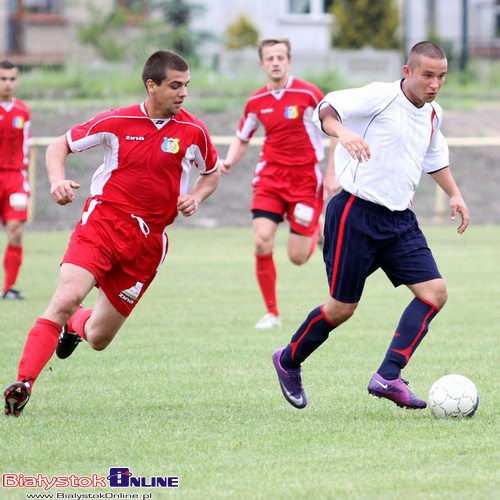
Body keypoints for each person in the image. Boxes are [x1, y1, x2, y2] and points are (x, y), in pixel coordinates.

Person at [4, 50, 220, 416]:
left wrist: (195, 196)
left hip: (149, 242)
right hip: (103, 224)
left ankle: (76, 326)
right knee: (66, 297)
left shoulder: (193, 130)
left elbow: (211, 172)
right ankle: (23, 383)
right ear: (151, 86)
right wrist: (57, 181)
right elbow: (60, 145)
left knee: (100, 338)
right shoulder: (117, 121)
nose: (183, 93)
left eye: (186, 86)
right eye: (175, 86)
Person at [272, 41, 469, 410]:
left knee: (434, 293)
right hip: (355, 214)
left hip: (399, 221)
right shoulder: (379, 97)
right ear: (408, 71)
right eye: (427, 75)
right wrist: (343, 133)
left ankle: (388, 376)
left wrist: (454, 194)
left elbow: (434, 157)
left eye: (441, 76)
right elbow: (326, 109)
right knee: (341, 308)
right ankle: (288, 360)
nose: (435, 84)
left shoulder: (432, 113)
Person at [220, 38, 336, 329]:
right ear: (261, 64)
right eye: (269, 58)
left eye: (280, 57)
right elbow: (242, 136)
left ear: (289, 61)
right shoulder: (256, 102)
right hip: (270, 178)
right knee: (261, 241)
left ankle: (316, 231)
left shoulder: (309, 94)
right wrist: (228, 162)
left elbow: (335, 130)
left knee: (297, 258)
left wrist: (332, 172)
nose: (275, 62)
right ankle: (272, 313)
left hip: (305, 181)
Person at [0, 60, 31, 300]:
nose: (8, 83)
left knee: (16, 230)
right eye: (3, 79)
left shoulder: (23, 111)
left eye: (12, 79)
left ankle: (9, 288)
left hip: (16, 177)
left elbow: (26, 144)